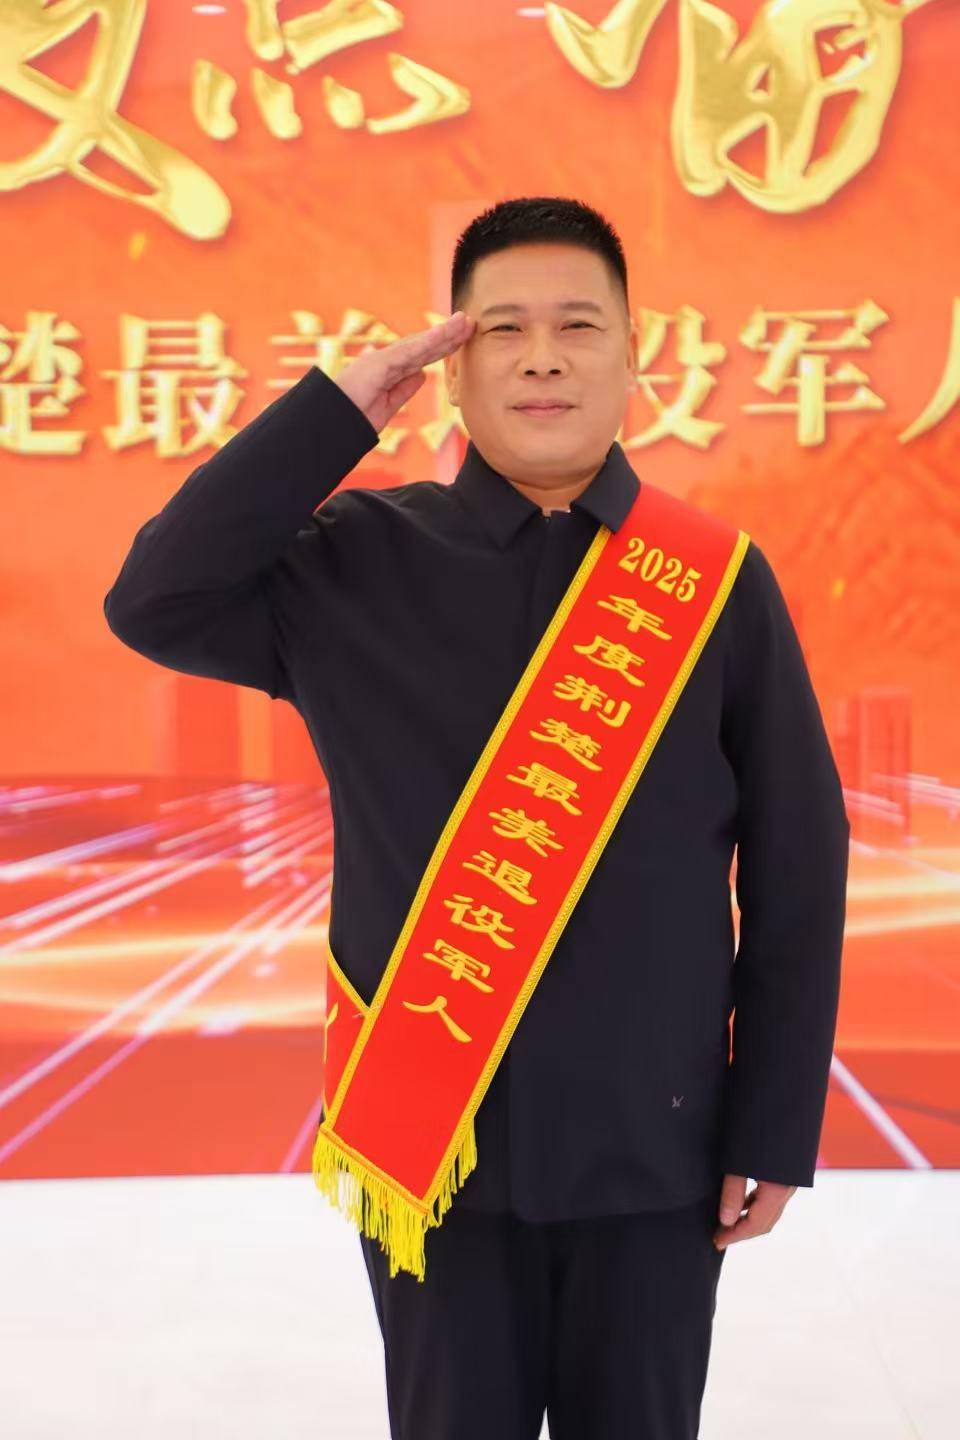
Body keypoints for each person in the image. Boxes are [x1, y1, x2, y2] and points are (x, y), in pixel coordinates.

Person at [103, 196, 850, 1439]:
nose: (543, 357)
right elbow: (153, 599)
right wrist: (337, 412)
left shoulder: (714, 579)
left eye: (578, 325)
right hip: (430, 1145)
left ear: (634, 354)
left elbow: (797, 864)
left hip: (657, 1150)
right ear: (451, 366)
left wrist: (772, 1124)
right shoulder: (350, 559)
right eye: (502, 329)